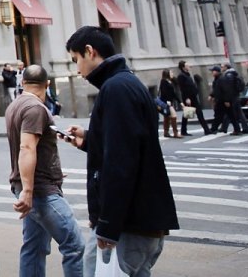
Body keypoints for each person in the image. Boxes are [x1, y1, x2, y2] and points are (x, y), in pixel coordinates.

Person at [63, 26, 177, 277]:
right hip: (136, 220)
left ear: (89, 52)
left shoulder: (116, 89)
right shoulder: (125, 83)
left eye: (75, 60)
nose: (77, 69)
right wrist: (89, 140)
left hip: (128, 223)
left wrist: (108, 225)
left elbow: (121, 162)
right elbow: (127, 143)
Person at [5, 64, 84, 277]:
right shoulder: (35, 109)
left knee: (34, 247)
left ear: (22, 83)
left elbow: (32, 148)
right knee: (74, 244)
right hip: (40, 191)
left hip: (32, 185)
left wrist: (52, 170)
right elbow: (27, 147)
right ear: (47, 84)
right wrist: (28, 192)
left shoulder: (15, 106)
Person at [174, 61, 208, 136]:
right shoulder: (181, 76)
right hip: (188, 98)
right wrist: (187, 98)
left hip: (193, 97)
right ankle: (184, 130)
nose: (189, 66)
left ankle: (206, 129)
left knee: (196, 113)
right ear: (183, 67)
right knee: (188, 114)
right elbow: (183, 88)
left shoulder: (187, 75)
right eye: (187, 65)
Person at [217, 64, 248, 135]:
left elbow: (228, 88)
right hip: (236, 96)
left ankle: (228, 128)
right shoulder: (234, 74)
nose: (221, 68)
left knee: (230, 113)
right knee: (237, 113)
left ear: (226, 67)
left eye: (222, 67)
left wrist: (227, 99)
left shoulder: (228, 76)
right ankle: (245, 128)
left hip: (232, 97)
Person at [156, 71, 180, 139]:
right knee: (173, 115)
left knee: (167, 117)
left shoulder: (170, 81)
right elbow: (163, 92)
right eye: (171, 72)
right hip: (166, 102)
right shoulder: (163, 81)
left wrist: (179, 101)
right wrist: (167, 101)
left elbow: (173, 93)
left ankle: (166, 132)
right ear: (167, 74)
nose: (172, 73)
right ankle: (176, 133)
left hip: (170, 102)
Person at [207, 66, 227, 133]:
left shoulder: (220, 79)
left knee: (219, 115)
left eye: (213, 71)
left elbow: (221, 90)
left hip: (221, 100)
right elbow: (215, 90)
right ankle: (218, 128)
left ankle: (214, 128)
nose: (212, 72)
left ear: (217, 72)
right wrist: (211, 95)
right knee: (221, 115)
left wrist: (226, 100)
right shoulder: (216, 79)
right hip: (219, 99)